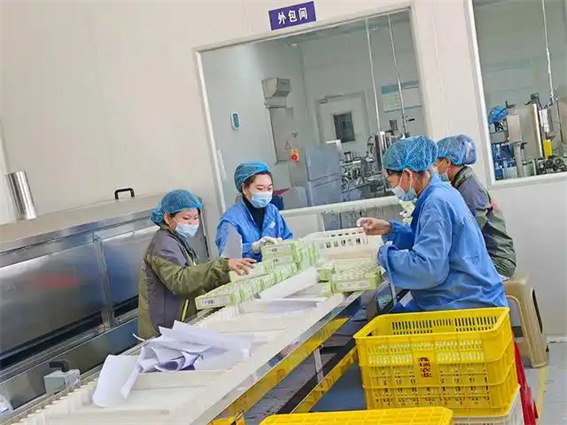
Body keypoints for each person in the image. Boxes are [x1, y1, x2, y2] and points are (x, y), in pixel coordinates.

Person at [357, 136, 507, 312]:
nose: (394, 189)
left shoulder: (436, 203)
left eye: (392, 182)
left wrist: (381, 255)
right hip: (463, 293)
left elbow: (427, 268)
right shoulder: (440, 192)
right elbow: (428, 240)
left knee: (386, 319)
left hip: (465, 304)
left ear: (407, 174)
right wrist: (391, 229)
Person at [138, 189, 255, 339]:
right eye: (186, 218)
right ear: (167, 217)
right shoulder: (163, 244)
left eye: (195, 218)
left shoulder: (177, 240)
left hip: (178, 324)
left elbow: (196, 277)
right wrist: (222, 266)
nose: (192, 223)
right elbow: (180, 281)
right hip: (163, 331)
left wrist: (230, 276)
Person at [435, 135, 516, 278]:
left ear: (447, 161)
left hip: (497, 263)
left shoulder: (469, 188)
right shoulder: (463, 182)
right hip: (489, 257)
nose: (434, 167)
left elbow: (470, 231)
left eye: (436, 163)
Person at [216, 161, 293, 260]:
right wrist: (253, 248)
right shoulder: (231, 220)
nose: (265, 193)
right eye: (260, 189)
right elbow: (227, 258)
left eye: (269, 188)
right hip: (248, 269)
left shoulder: (272, 211)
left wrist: (284, 245)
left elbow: (288, 238)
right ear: (244, 188)